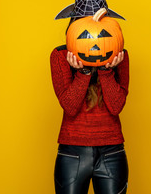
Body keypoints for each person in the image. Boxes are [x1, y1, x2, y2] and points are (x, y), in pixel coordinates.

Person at [50, 16, 130, 194]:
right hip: (72, 154)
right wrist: (83, 72)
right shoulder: (60, 55)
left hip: (111, 153)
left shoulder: (119, 56)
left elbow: (116, 107)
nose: (94, 43)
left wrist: (106, 70)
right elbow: (70, 107)